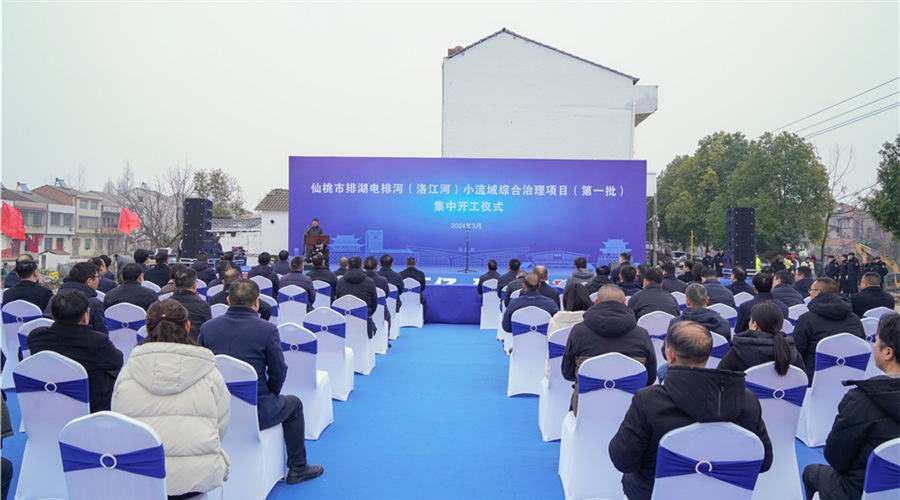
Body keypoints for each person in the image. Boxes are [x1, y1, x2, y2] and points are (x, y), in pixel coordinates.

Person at [608, 321, 773, 500]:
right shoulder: (747, 401)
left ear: (670, 355)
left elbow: (622, 460)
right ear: (708, 354)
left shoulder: (648, 401)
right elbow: (763, 462)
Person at [198, 279, 324, 485]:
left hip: (214, 409)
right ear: (257, 302)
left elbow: (201, 368)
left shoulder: (207, 328)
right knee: (294, 405)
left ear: (228, 300)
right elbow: (278, 371)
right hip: (258, 410)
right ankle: (298, 467)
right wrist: (272, 394)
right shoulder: (267, 329)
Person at [111, 299, 230, 499]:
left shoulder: (127, 374)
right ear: (188, 326)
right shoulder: (210, 373)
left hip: (141, 475)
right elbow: (221, 425)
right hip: (196, 477)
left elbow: (119, 424)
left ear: (147, 330)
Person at [802, 313, 900, 500]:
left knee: (811, 473)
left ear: (888, 352)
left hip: (860, 491)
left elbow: (836, 458)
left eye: (876, 340)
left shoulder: (861, 400)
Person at [562, 284, 656, 415]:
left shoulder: (578, 332)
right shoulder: (642, 335)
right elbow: (650, 378)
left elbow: (567, 373)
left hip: (586, 410)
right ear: (624, 303)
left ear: (596, 302)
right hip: (632, 412)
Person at [29, 290, 124, 412]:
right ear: (85, 317)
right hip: (92, 406)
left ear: (54, 318)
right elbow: (117, 362)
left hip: (47, 401)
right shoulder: (97, 341)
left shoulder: (36, 337)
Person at [794, 277, 865, 383]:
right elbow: (862, 345)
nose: (810, 293)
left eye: (811, 290)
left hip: (814, 380)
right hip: (851, 378)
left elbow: (797, 353)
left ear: (818, 292)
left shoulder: (806, 320)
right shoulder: (854, 319)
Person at [718, 301, 805, 373]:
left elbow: (718, 379)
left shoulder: (738, 351)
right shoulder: (791, 352)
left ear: (755, 325)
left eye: (750, 320)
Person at [47, 261, 108, 334]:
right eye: (98, 277)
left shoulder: (53, 299)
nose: (98, 280)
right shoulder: (94, 304)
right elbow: (102, 332)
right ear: (89, 281)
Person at [335, 255, 378, 338]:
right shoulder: (370, 282)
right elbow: (374, 305)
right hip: (365, 321)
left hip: (344, 321)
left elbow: (337, 301)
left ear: (348, 267)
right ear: (362, 267)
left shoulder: (340, 282)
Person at [167, 267, 212, 340]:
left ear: (175, 285)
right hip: (194, 343)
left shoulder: (164, 304)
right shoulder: (203, 306)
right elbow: (207, 331)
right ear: (194, 285)